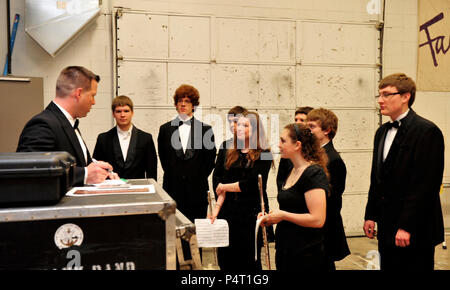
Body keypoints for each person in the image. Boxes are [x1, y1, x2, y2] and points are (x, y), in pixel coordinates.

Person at [363, 73, 445, 270]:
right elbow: (378, 178)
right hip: (387, 224)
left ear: (405, 96)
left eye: (386, 94)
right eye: (379, 95)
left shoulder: (427, 131)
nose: (380, 100)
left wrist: (407, 226)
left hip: (415, 228)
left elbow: (426, 185)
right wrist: (370, 214)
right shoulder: (381, 132)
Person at [17, 66, 117, 186]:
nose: (93, 102)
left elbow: (79, 164)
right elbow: (31, 172)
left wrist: (99, 171)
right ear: (79, 93)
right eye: (92, 95)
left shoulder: (69, 123)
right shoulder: (43, 124)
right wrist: (85, 174)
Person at [259, 123, 329, 271]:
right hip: (286, 248)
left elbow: (317, 219)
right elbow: (292, 207)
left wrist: (283, 215)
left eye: (283, 141)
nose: (278, 145)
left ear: (297, 145)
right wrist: (271, 217)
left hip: (306, 253)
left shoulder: (314, 173)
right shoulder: (291, 170)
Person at [211, 111, 273, 270]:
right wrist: (216, 210)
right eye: (238, 124)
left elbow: (252, 185)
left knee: (249, 260)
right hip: (228, 212)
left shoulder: (265, 152)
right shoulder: (230, 150)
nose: (239, 128)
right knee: (226, 259)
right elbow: (220, 181)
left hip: (251, 214)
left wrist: (225, 187)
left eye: (245, 125)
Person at [157, 84, 216, 222]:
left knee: (196, 232)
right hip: (172, 188)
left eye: (187, 101)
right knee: (172, 230)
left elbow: (210, 160)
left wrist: (195, 177)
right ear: (176, 105)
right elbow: (164, 159)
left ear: (194, 105)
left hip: (197, 190)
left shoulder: (205, 130)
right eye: (180, 101)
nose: (183, 104)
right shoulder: (165, 129)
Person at [307, 108, 350, 270]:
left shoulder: (334, 160)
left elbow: (333, 199)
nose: (307, 130)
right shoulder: (312, 154)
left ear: (326, 130)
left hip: (324, 230)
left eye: (312, 127)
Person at [93, 95, 157, 180]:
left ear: (132, 113)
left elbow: (151, 170)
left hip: (137, 189)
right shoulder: (103, 139)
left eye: (126, 111)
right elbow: (97, 167)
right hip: (111, 189)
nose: (122, 115)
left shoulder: (146, 138)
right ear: (113, 114)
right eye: (118, 111)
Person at [276, 106, 314, 190]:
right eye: (296, 120)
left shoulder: (315, 150)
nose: (297, 123)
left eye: (302, 120)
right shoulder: (288, 149)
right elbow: (280, 179)